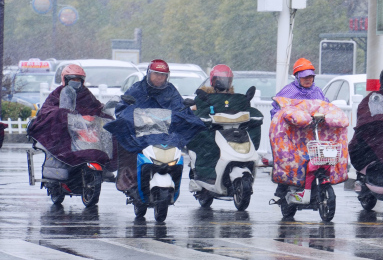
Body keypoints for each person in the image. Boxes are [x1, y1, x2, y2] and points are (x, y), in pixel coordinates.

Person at [105, 59, 204, 192]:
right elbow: (123, 108)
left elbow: (180, 108)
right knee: (127, 148)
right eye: (156, 74)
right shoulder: (137, 88)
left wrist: (180, 117)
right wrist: (131, 118)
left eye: (162, 75)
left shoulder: (171, 91)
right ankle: (130, 181)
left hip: (165, 136)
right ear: (148, 74)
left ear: (167, 76)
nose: (159, 77)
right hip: (141, 135)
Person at [27, 64, 115, 179]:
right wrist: (62, 114)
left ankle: (104, 165)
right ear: (65, 79)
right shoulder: (57, 93)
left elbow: (95, 107)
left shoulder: (86, 94)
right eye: (73, 79)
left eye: (78, 79)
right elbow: (48, 110)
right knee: (61, 144)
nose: (76, 82)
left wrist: (105, 112)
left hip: (84, 130)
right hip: (67, 131)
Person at [187, 64, 263, 184]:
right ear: (213, 80)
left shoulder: (233, 98)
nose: (223, 82)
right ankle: (206, 174)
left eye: (227, 80)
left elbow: (240, 109)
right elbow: (197, 109)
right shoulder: (205, 96)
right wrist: (196, 108)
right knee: (208, 145)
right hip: (213, 131)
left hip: (231, 131)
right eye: (219, 80)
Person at [270, 58, 329, 203]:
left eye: (310, 77)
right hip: (292, 134)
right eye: (304, 77)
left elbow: (327, 106)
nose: (308, 80)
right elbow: (276, 110)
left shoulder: (318, 91)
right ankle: (284, 187)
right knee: (291, 159)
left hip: (312, 133)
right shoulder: (288, 91)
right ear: (297, 77)